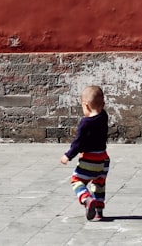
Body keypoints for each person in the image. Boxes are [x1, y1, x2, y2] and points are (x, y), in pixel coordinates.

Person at [60, 85, 109, 221]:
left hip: (89, 159)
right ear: (102, 105)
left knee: (77, 180)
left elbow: (78, 143)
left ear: (86, 106)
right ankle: (99, 211)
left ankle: (87, 199)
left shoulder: (85, 123)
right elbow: (100, 109)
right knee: (99, 184)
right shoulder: (104, 117)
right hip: (103, 159)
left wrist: (68, 155)